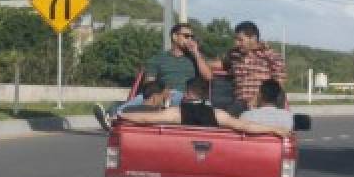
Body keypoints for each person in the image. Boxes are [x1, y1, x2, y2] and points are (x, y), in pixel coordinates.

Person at [119, 77, 290, 137]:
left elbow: (145, 118)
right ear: (206, 97)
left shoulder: (175, 113)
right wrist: (273, 129)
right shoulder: (218, 114)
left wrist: (121, 116)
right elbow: (245, 126)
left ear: (187, 95)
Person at [219, 21, 287, 113]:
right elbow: (219, 65)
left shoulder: (270, 55)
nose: (237, 43)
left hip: (263, 105)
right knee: (218, 117)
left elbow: (278, 83)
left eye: (240, 40)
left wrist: (256, 100)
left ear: (253, 38)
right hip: (240, 105)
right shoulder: (234, 55)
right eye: (236, 39)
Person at [145, 23, 213, 102]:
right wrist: (163, 93)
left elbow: (208, 77)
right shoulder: (158, 58)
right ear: (175, 37)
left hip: (187, 97)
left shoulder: (196, 58)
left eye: (192, 37)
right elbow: (149, 84)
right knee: (130, 105)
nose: (190, 39)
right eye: (186, 36)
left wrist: (196, 53)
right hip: (164, 96)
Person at [93, 79, 170, 131]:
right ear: (155, 97)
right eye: (163, 97)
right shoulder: (161, 114)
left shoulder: (127, 110)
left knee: (116, 105)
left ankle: (110, 120)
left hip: (128, 140)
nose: (166, 99)